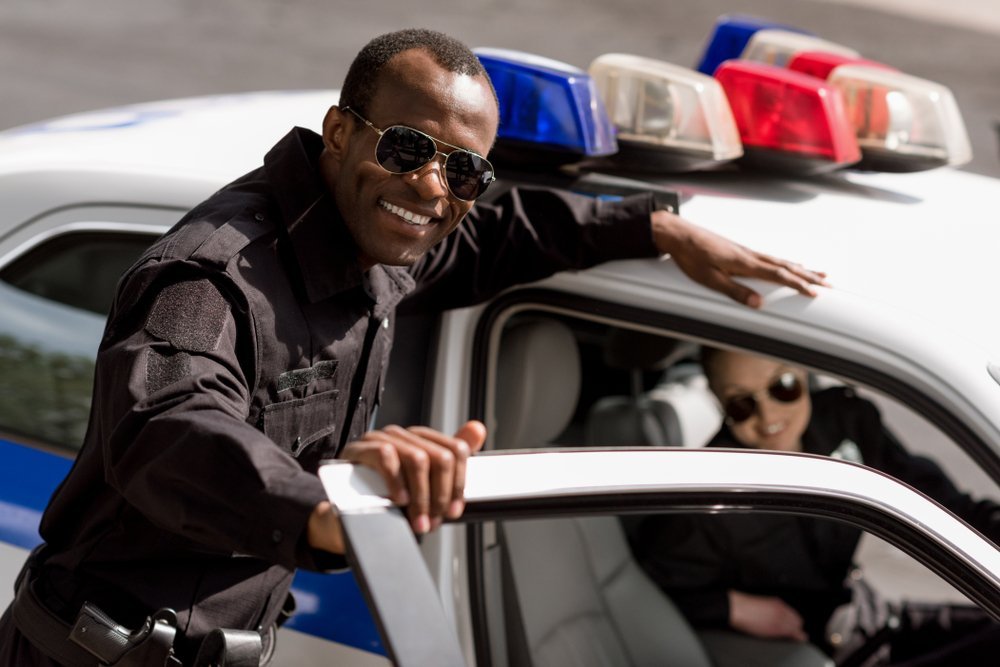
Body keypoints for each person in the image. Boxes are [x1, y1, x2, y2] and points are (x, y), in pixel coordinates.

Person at [0, 29, 827, 666]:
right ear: (338, 131)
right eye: (407, 147)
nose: (432, 186)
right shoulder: (216, 276)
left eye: (464, 171)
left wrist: (654, 225)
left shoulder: (378, 240)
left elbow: (502, 236)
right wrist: (330, 511)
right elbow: (169, 428)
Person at [632, 347, 1000, 666]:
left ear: (803, 373)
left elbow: (943, 505)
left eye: (783, 387)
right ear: (719, 402)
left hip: (867, 613)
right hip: (815, 650)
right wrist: (734, 607)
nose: (769, 416)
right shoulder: (714, 494)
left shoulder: (846, 419)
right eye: (742, 404)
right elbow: (644, 585)